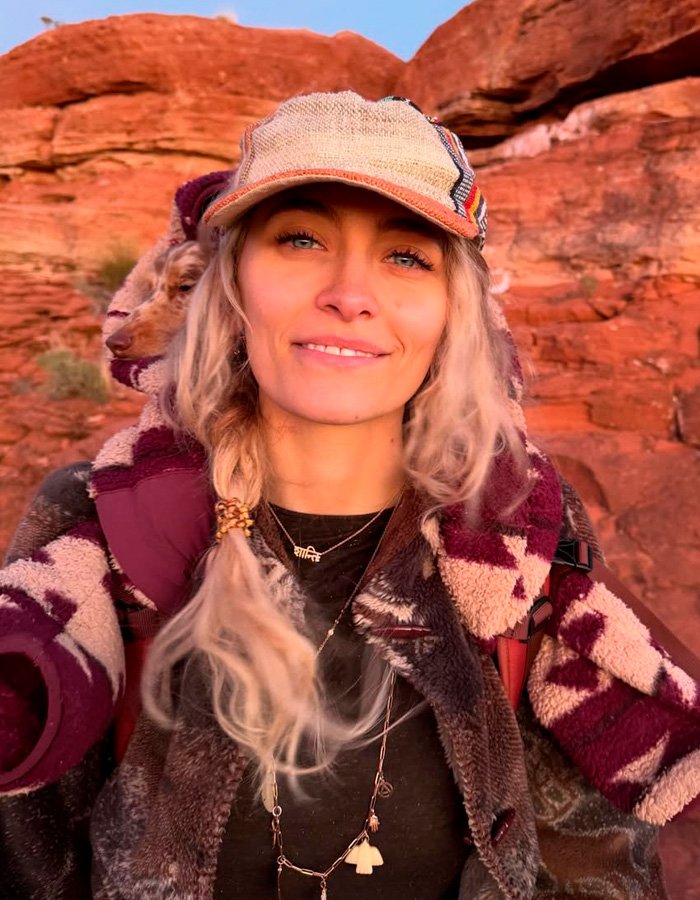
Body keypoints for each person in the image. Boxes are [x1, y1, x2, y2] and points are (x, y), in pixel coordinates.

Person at [0, 91, 698, 900]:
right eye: (300, 239)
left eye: (407, 256)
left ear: (452, 312)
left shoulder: (516, 534)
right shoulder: (101, 529)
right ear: (231, 288)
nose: (349, 292)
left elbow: (591, 859)